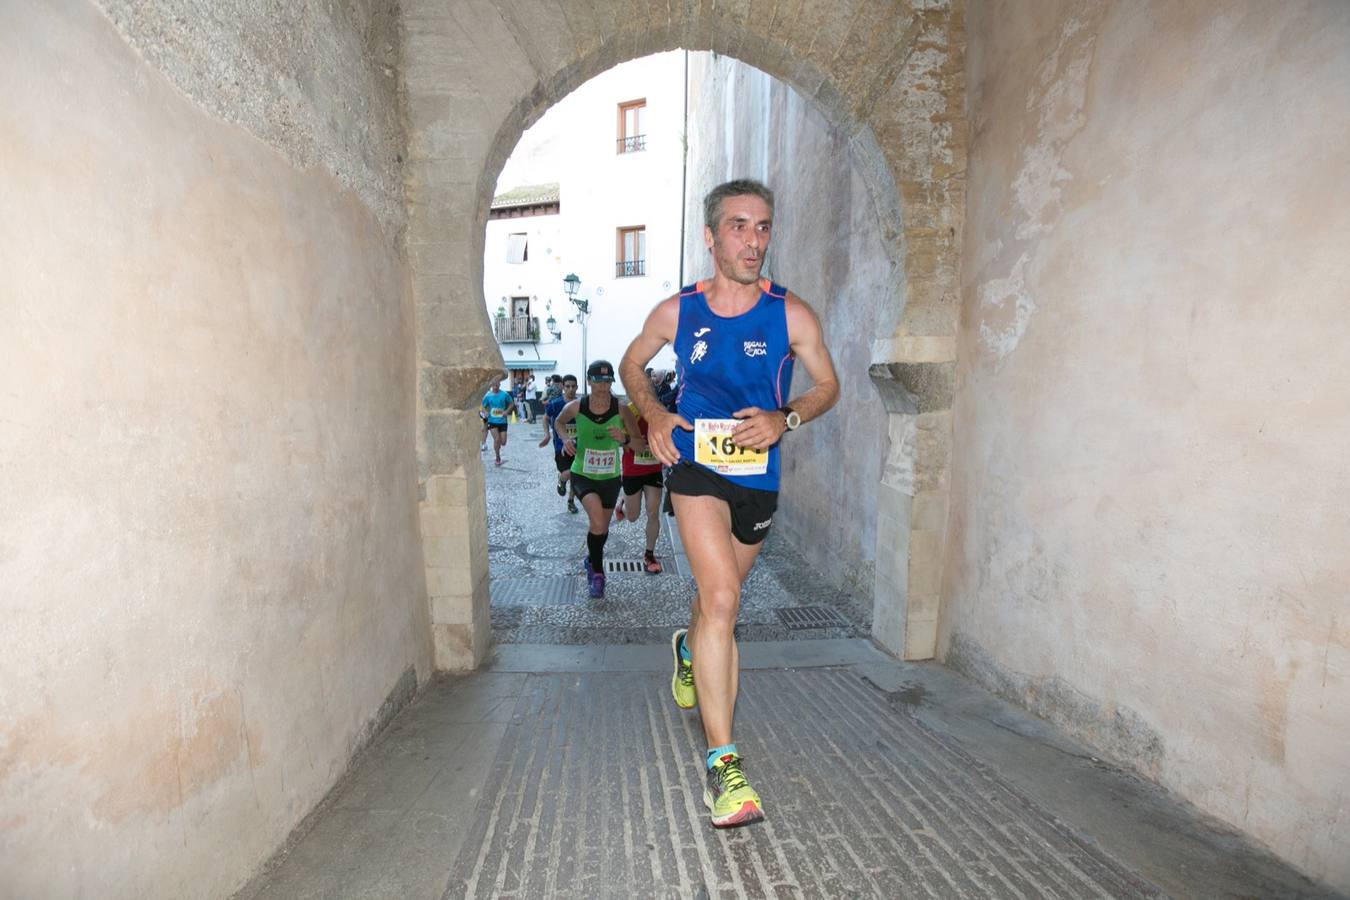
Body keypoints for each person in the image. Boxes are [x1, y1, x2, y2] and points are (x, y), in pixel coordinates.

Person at [619, 179, 839, 828]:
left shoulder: (791, 314)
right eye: (739, 226)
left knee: (716, 601)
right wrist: (655, 414)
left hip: (758, 480)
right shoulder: (677, 311)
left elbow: (827, 386)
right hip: (695, 467)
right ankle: (725, 767)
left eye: (764, 226)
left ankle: (688, 647)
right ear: (711, 238)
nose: (754, 240)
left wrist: (786, 418)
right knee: (723, 601)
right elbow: (633, 365)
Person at [552, 360, 628, 599]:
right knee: (597, 522)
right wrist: (565, 440)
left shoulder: (621, 409)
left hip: (611, 478)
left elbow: (636, 441)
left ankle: (591, 558)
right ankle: (597, 572)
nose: (603, 387)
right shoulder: (576, 407)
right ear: (589, 381)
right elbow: (558, 423)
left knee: (601, 527)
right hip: (582, 474)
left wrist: (624, 438)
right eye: (598, 381)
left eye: (607, 382)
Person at [615, 398, 665, 574]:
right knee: (633, 517)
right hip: (632, 470)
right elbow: (619, 442)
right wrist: (630, 440)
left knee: (653, 511)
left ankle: (649, 555)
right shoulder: (628, 411)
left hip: (653, 468)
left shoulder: (658, 412)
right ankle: (624, 506)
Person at [539, 373, 580, 514]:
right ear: (562, 386)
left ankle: (571, 501)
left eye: (573, 386)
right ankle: (562, 479)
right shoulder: (555, 403)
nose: (570, 389)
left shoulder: (580, 404)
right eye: (567, 386)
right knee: (569, 472)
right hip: (560, 446)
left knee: (576, 474)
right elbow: (545, 419)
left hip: (578, 446)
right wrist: (547, 434)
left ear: (577, 387)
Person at [481, 379, 513, 467]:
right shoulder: (488, 396)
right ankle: (497, 457)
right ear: (491, 385)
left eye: (497, 383)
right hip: (492, 421)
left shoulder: (504, 394)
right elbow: (482, 406)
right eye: (493, 383)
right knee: (497, 440)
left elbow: (511, 403)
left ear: (499, 384)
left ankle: (498, 449)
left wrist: (506, 411)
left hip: (502, 421)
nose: (495, 385)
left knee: (503, 442)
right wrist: (485, 412)